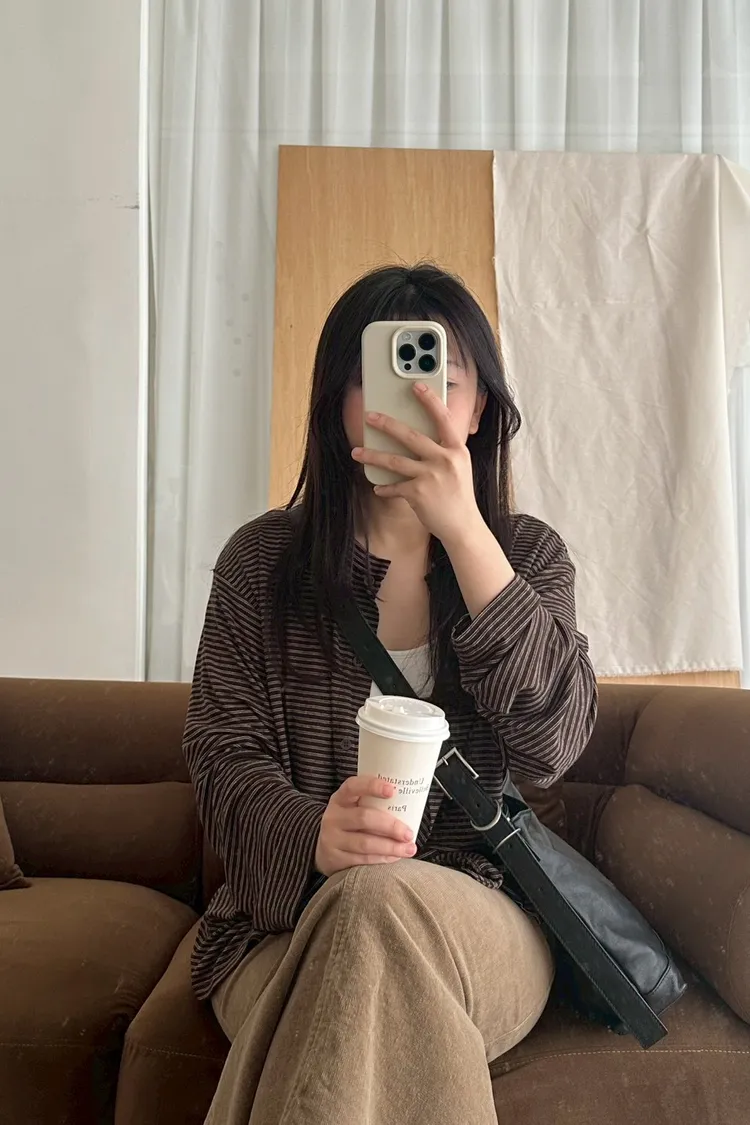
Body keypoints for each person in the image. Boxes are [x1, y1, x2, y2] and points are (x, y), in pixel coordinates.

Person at [183, 263, 598, 1125]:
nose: (414, 402)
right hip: (281, 927)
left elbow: (553, 743)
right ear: (338, 404)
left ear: (479, 410)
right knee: (363, 921)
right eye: (380, 377)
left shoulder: (528, 556)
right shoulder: (262, 563)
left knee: (375, 907)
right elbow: (222, 756)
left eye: (444, 379)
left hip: (479, 916)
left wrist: (467, 535)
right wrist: (313, 836)